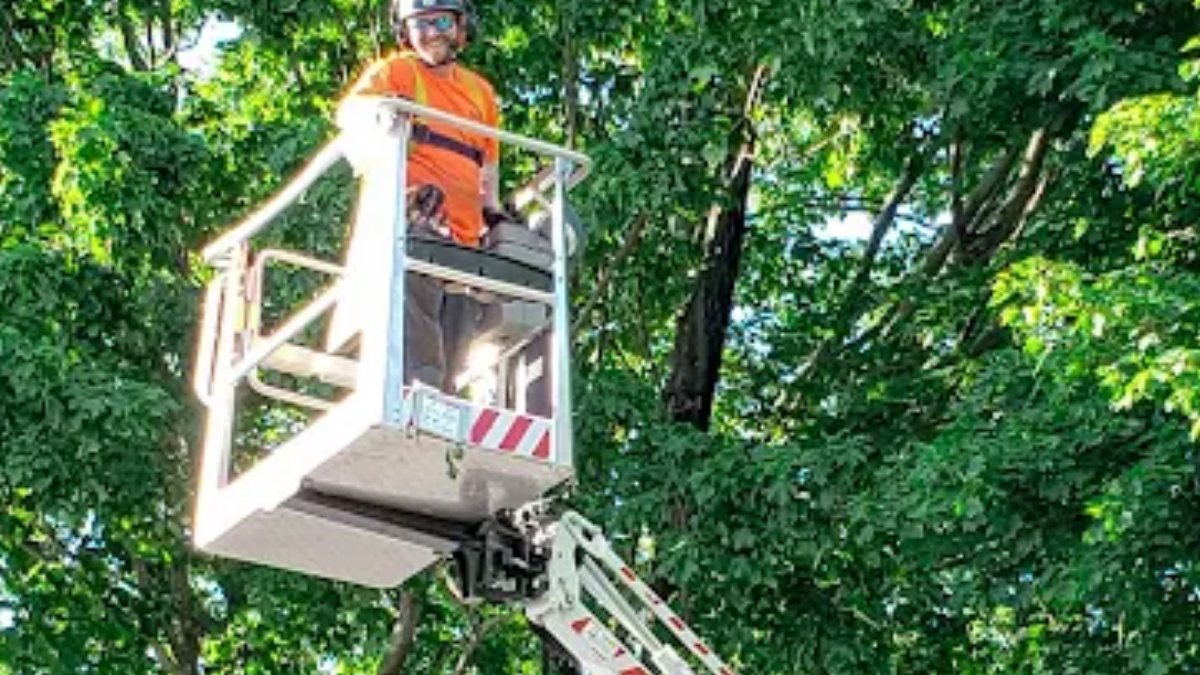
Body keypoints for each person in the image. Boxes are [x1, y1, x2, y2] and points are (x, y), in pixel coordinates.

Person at [334, 0, 502, 393]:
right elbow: (352, 116)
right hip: (417, 223)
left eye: (441, 21)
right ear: (404, 31)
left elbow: (488, 168)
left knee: (456, 337)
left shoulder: (481, 94)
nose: (430, 33)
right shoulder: (398, 72)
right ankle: (416, 391)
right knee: (417, 301)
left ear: (460, 28)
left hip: (464, 238)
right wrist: (383, 118)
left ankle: (440, 400)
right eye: (419, 24)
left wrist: (495, 217)